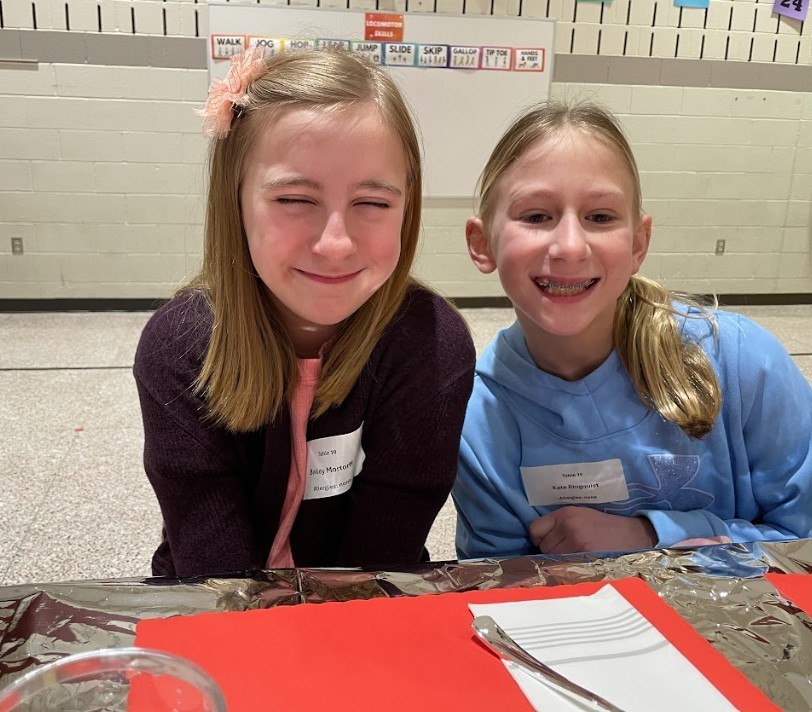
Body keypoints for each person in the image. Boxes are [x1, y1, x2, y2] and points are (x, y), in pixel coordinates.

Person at [133, 47, 475, 577]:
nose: (336, 243)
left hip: (363, 603)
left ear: (408, 208)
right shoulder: (179, 346)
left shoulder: (432, 344)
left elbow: (386, 544)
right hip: (216, 603)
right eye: (294, 199)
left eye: (373, 203)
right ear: (235, 201)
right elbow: (212, 562)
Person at [453, 100, 812, 560]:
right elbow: (501, 589)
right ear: (481, 244)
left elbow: (801, 543)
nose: (569, 246)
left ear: (638, 243)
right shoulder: (478, 421)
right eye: (537, 216)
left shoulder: (741, 363)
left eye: (599, 217)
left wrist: (654, 535)